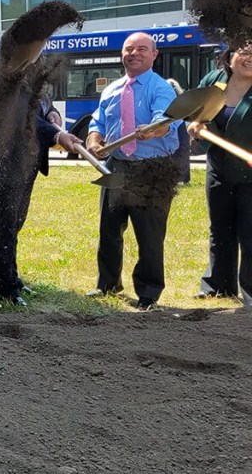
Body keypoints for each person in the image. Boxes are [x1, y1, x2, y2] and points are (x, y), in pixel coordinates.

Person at [0, 72, 82, 306]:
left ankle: (12, 276)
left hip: (23, 162)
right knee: (2, 224)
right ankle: (3, 287)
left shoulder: (32, 76)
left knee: (14, 222)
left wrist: (53, 113)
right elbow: (20, 114)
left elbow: (42, 105)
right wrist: (57, 135)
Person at [86, 32, 178, 311]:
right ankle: (108, 283)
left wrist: (154, 130)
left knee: (149, 235)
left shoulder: (161, 89)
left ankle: (148, 293)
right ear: (122, 54)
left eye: (141, 49)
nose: (134, 53)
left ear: (154, 54)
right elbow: (98, 121)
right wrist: (94, 140)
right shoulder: (111, 89)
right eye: (128, 49)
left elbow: (165, 120)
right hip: (116, 166)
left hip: (151, 170)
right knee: (109, 229)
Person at [187, 43, 252, 305]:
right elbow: (197, 113)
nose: (249, 58)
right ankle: (218, 285)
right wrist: (195, 125)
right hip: (219, 166)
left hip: (249, 173)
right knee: (220, 227)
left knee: (250, 231)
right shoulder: (214, 81)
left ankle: (249, 289)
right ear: (230, 55)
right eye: (245, 51)